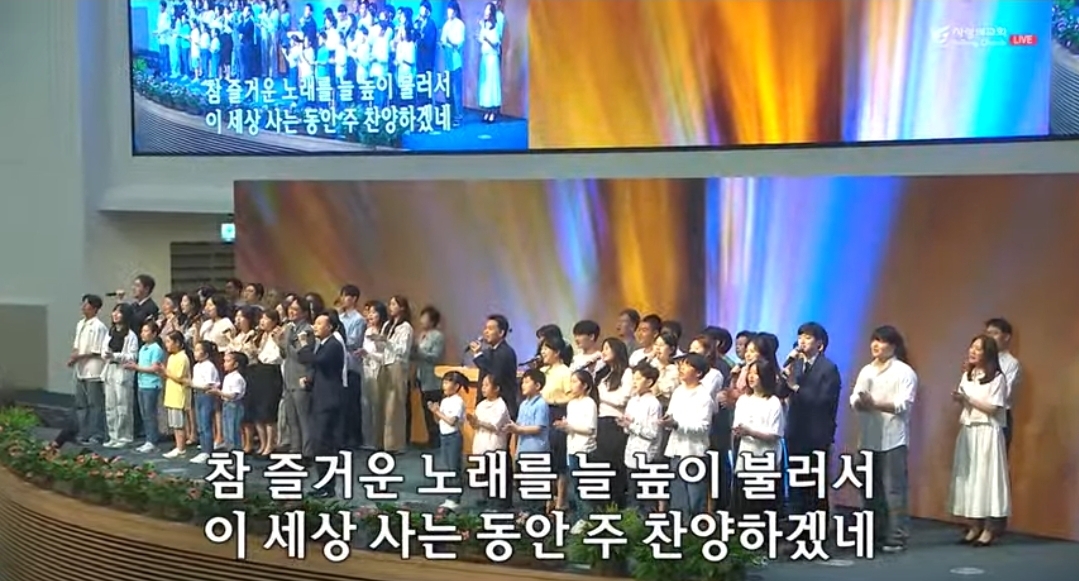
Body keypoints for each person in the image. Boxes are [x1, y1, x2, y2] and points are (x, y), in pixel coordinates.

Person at [849, 325, 917, 553]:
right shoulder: (866, 370)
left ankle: (897, 536)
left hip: (892, 439)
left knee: (893, 490)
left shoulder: (904, 372)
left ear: (894, 346)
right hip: (868, 437)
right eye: (874, 340)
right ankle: (874, 532)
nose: (876, 345)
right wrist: (860, 402)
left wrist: (874, 404)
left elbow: (903, 405)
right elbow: (854, 398)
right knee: (868, 487)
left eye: (882, 341)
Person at [949, 335, 1010, 546]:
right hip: (968, 430)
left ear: (988, 353)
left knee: (987, 479)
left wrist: (967, 399)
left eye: (978, 349)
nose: (972, 351)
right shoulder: (968, 375)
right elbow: (966, 402)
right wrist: (960, 399)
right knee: (971, 479)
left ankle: (989, 529)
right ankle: (973, 526)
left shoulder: (998, 378)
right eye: (971, 347)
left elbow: (993, 408)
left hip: (987, 432)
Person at [781, 322, 842, 517]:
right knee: (796, 482)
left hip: (816, 435)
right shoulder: (797, 364)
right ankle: (797, 526)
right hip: (795, 432)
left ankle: (817, 527)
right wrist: (785, 372)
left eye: (807, 338)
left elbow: (823, 401)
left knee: (815, 485)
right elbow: (781, 392)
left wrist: (796, 387)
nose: (802, 341)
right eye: (800, 337)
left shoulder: (828, 368)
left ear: (820, 345)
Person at [299, 312, 346, 498]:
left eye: (319, 323)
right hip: (320, 398)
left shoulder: (333, 344)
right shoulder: (324, 344)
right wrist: (309, 382)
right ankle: (323, 484)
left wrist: (304, 345)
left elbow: (317, 361)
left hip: (328, 401)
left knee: (324, 444)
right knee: (319, 444)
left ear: (330, 327)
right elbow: (322, 370)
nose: (315, 327)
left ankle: (328, 486)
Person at [662, 353, 715, 515]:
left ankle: (695, 526)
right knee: (677, 497)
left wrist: (677, 424)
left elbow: (703, 427)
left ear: (698, 373)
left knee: (694, 498)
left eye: (686, 365)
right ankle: (680, 526)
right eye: (681, 365)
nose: (681, 368)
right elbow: (671, 414)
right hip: (676, 449)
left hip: (694, 452)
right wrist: (667, 421)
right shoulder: (678, 391)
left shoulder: (704, 397)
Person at [732, 358, 785, 516]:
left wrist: (750, 432)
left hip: (764, 460)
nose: (751, 377)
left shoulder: (773, 402)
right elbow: (737, 426)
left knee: (762, 507)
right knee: (744, 505)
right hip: (745, 457)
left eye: (756, 374)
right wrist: (739, 431)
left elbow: (775, 434)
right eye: (750, 373)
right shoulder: (743, 400)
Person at [555, 369, 599, 534]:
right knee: (575, 485)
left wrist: (570, 426)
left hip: (584, 449)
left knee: (583, 486)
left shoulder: (589, 403)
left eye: (575, 382)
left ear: (585, 385)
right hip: (572, 447)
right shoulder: (572, 404)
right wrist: (564, 426)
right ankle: (581, 517)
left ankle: (587, 519)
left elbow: (590, 429)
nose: (571, 385)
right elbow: (572, 427)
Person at [505, 368, 551, 514]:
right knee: (524, 484)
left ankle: (537, 516)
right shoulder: (524, 404)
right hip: (523, 449)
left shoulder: (541, 404)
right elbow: (519, 425)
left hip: (536, 451)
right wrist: (511, 427)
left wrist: (518, 429)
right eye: (522, 382)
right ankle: (526, 512)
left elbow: (538, 428)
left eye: (526, 382)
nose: (522, 385)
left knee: (535, 486)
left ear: (537, 386)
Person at [620, 363, 662, 512]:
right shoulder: (632, 401)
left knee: (646, 497)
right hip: (631, 452)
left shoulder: (654, 404)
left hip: (646, 455)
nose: (634, 382)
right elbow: (627, 430)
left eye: (638, 379)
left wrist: (631, 425)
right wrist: (625, 424)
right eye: (634, 378)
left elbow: (652, 433)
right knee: (632, 494)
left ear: (649, 382)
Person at [467, 374, 511, 509]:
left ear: (496, 388)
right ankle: (487, 498)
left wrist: (478, 422)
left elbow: (494, 426)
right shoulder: (481, 404)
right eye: (482, 385)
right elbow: (476, 426)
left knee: (495, 476)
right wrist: (472, 421)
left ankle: (499, 503)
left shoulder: (501, 405)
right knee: (485, 475)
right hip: (481, 445)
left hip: (494, 447)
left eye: (487, 385)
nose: (483, 388)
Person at [70, 294, 109, 445]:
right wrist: (74, 356)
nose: (83, 307)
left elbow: (97, 351)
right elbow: (76, 345)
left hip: (94, 370)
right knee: (81, 404)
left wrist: (78, 357)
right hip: (80, 370)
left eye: (86, 304)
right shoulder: (80, 324)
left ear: (94, 308)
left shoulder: (99, 326)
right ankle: (83, 432)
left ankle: (97, 434)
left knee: (95, 404)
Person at [428, 370, 468, 511]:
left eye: (447, 382)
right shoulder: (445, 400)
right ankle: (450, 497)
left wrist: (438, 412)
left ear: (456, 386)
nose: (443, 385)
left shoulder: (458, 401)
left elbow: (452, 421)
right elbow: (439, 421)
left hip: (453, 437)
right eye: (443, 382)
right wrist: (435, 411)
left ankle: (455, 499)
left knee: (454, 468)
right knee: (447, 468)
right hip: (444, 436)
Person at [102, 303, 139, 448]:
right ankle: (113, 435)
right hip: (109, 369)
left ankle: (124, 436)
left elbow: (133, 356)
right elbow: (103, 349)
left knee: (123, 405)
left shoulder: (131, 335)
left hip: (123, 370)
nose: (115, 315)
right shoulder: (110, 332)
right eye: (114, 312)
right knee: (110, 405)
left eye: (119, 312)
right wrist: (106, 354)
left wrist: (116, 356)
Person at [126, 322, 167, 453]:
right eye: (142, 331)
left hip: (151, 384)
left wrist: (136, 367)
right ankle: (148, 440)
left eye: (146, 331)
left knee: (150, 413)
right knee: (144, 413)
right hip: (142, 384)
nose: (142, 334)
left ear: (154, 334)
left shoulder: (156, 349)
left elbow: (155, 368)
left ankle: (152, 441)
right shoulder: (143, 348)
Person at [470, 314, 519, 418]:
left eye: (490, 329)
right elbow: (483, 379)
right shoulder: (488, 352)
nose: (486, 332)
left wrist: (478, 356)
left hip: (502, 407)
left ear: (501, 333)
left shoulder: (506, 352)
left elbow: (494, 375)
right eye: (485, 328)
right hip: (486, 405)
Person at [984, 318, 1021, 450]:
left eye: (994, 333)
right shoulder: (981, 360)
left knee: (998, 459)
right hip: (980, 418)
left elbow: (1005, 393)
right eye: (987, 333)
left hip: (1000, 418)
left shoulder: (1011, 364)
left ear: (1006, 337)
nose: (989, 338)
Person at [159, 331, 192, 458]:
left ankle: (181, 448)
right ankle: (178, 446)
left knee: (179, 424)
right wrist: (161, 371)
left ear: (177, 343)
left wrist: (165, 371)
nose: (166, 345)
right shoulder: (172, 357)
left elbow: (179, 377)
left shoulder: (182, 357)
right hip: (171, 394)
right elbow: (169, 375)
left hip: (179, 395)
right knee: (174, 424)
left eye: (169, 341)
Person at [187, 340, 221, 464]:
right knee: (200, 423)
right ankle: (204, 447)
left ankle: (207, 451)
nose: (195, 353)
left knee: (206, 423)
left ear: (206, 354)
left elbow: (209, 385)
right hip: (198, 394)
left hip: (207, 395)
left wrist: (191, 384)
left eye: (198, 350)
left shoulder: (209, 366)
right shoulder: (196, 366)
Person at [210, 351, 248, 451]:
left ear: (236, 364)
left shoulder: (237, 378)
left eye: (228, 361)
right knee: (226, 429)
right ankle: (229, 449)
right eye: (224, 361)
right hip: (226, 404)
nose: (225, 364)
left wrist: (219, 392)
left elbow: (233, 395)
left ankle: (235, 452)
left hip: (234, 405)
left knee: (233, 430)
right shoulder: (227, 376)